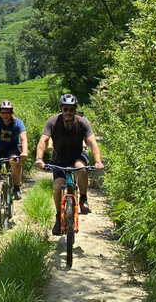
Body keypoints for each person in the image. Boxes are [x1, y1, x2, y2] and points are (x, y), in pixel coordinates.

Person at [35, 93, 104, 236]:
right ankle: (58, 217)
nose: (68, 112)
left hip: (77, 155)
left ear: (75, 109)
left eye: (71, 109)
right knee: (58, 186)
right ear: (61, 109)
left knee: (81, 168)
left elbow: (92, 143)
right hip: (59, 159)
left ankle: (83, 199)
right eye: (65, 109)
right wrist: (39, 159)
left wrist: (98, 161)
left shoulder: (82, 122)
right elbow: (43, 141)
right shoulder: (53, 122)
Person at [0, 100, 28, 208]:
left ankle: (16, 188)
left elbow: (23, 138)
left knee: (14, 160)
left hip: (13, 147)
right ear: (0, 112)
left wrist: (24, 151)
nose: (5, 115)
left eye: (8, 113)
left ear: (11, 113)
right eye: (3, 113)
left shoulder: (17, 123)